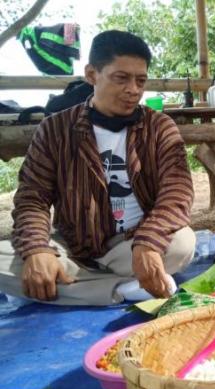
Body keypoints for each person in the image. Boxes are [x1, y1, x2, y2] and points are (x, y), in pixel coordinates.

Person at [0, 30, 195, 305]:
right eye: (121, 78)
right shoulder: (56, 129)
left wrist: (149, 240)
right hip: (73, 246)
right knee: (5, 260)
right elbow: (33, 197)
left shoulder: (159, 127)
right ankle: (121, 290)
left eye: (141, 80)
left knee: (182, 244)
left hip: (132, 244)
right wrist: (37, 249)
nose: (134, 90)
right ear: (92, 75)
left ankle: (74, 287)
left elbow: (178, 192)